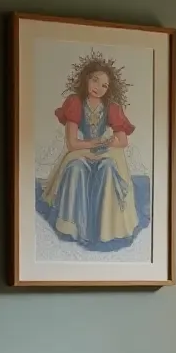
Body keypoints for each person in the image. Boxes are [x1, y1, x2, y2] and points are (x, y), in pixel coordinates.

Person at [38, 54, 141, 251]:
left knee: (109, 169)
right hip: (80, 152)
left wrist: (110, 142)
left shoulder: (112, 108)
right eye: (95, 80)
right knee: (76, 168)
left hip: (104, 153)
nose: (98, 87)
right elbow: (72, 144)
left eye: (104, 85)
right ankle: (75, 230)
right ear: (86, 78)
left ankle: (104, 230)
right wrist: (94, 144)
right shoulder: (75, 102)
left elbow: (122, 140)